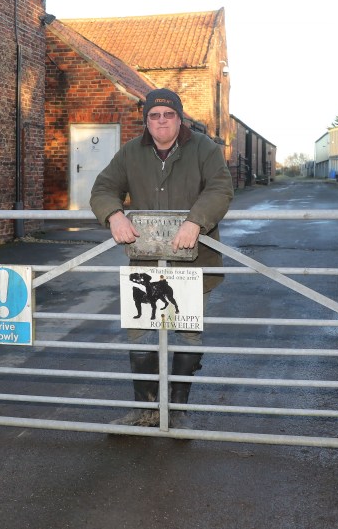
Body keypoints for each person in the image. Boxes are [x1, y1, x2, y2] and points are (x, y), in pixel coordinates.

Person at [90, 87, 234, 428]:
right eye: (154, 115)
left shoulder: (204, 148)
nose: (161, 121)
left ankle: (178, 410)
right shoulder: (130, 153)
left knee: (187, 334)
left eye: (168, 115)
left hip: (195, 264)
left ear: (179, 118)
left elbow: (220, 188)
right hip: (145, 267)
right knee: (140, 332)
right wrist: (114, 214)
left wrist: (195, 221)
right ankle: (146, 410)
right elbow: (103, 188)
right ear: (146, 121)